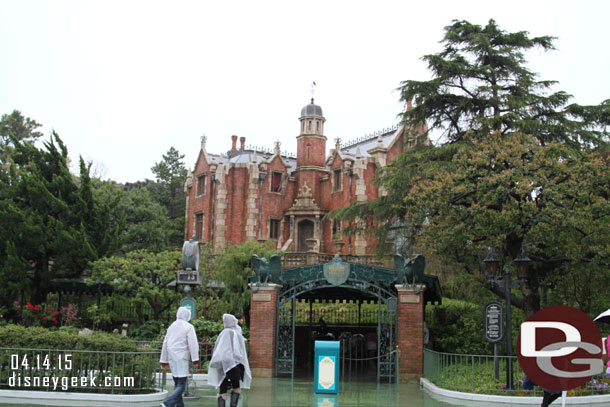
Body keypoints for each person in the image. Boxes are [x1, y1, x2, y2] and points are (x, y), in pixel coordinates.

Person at [208, 314, 252, 407]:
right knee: (236, 384)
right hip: (232, 363)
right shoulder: (234, 333)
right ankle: (233, 404)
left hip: (220, 363)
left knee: (222, 386)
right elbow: (237, 350)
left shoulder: (222, 333)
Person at [159, 307, 199, 407]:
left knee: (177, 383)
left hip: (171, 357)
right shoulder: (188, 327)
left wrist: (163, 360)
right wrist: (195, 359)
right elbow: (193, 344)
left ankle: (179, 405)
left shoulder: (171, 326)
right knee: (181, 385)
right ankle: (167, 403)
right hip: (182, 357)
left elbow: (165, 343)